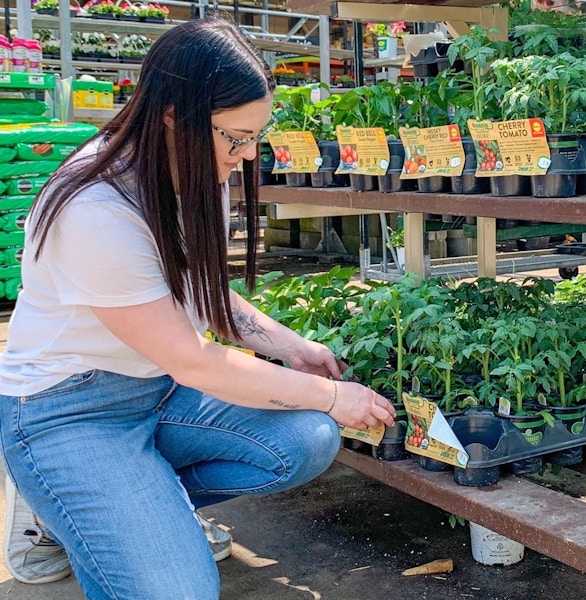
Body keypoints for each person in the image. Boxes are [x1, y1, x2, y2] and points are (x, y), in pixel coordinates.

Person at [0, 16, 395, 599]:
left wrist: (293, 348)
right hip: (70, 412)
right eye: (235, 136)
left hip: (156, 394)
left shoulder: (194, 165)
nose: (247, 152)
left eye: (254, 134)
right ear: (170, 117)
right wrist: (338, 396)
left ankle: (131, 503)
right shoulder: (96, 208)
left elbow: (195, 291)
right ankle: (68, 507)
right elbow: (195, 361)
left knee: (306, 440)